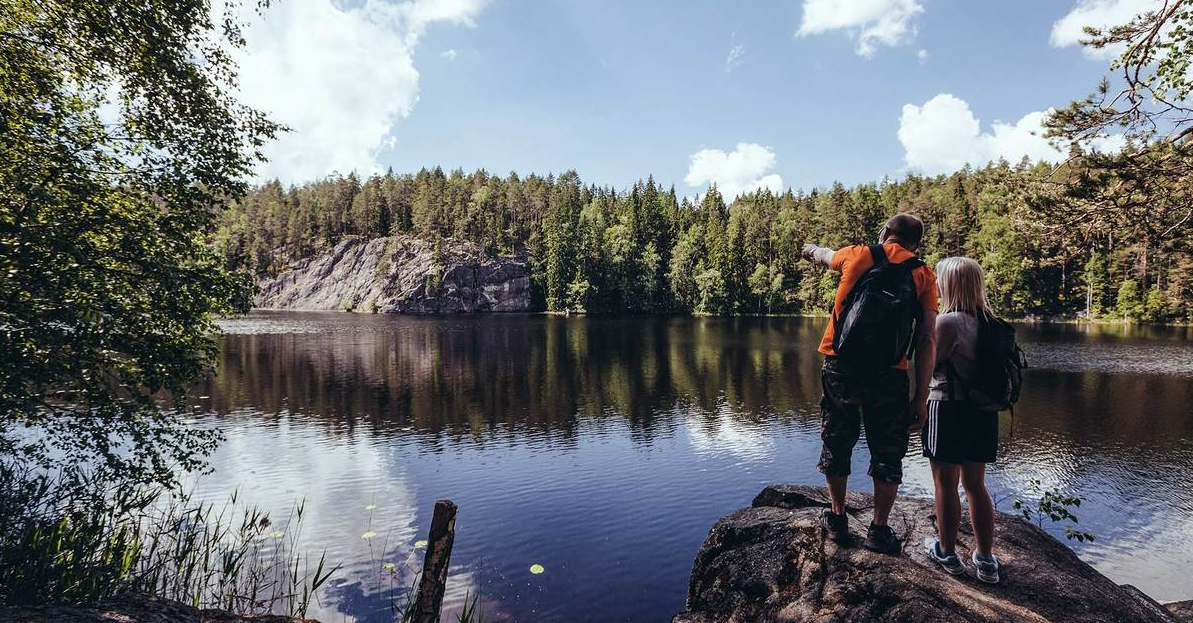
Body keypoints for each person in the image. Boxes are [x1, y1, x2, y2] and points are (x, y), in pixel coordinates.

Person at [801, 214, 938, 555]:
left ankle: (837, 518)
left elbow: (825, 255)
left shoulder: (859, 254)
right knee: (888, 449)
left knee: (837, 438)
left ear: (885, 232)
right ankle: (879, 529)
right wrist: (921, 397)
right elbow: (927, 338)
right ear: (916, 244)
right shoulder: (923, 274)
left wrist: (810, 249)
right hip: (890, 373)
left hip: (841, 365)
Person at [921, 256, 1001, 584]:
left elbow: (928, 367)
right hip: (983, 411)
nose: (936, 286)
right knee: (975, 484)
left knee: (945, 483)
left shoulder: (947, 323)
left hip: (947, 409)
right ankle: (986, 559)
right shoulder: (992, 323)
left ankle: (947, 552)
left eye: (939, 280)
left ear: (950, 284)